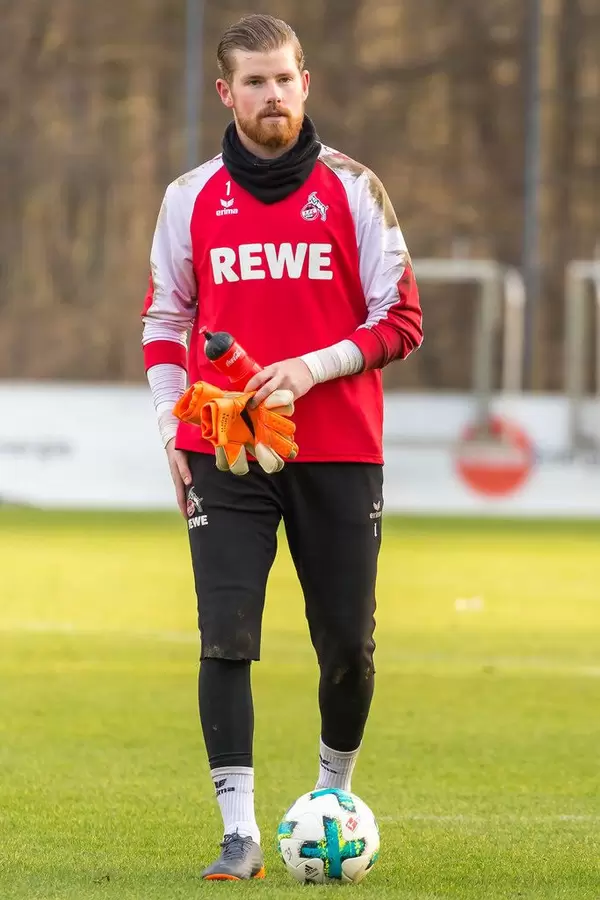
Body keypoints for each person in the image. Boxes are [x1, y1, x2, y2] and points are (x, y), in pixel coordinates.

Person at [141, 12, 423, 881]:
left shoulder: (355, 188)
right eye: (254, 81)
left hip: (339, 449)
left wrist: (307, 369)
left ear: (308, 83)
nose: (273, 94)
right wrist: (168, 424)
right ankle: (239, 833)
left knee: (347, 647)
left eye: (285, 78)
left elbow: (402, 320)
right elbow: (164, 322)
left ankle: (332, 795)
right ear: (226, 93)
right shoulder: (190, 196)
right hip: (223, 450)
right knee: (226, 635)